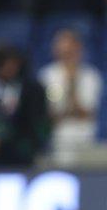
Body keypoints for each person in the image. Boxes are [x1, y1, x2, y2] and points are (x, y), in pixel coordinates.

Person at [38, 29, 103, 162]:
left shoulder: (91, 76)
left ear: (79, 49)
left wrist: (72, 83)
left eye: (70, 51)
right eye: (63, 51)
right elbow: (51, 114)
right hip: (58, 138)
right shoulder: (47, 75)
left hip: (86, 136)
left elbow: (86, 112)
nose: (67, 56)